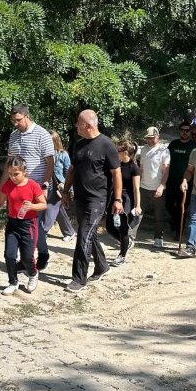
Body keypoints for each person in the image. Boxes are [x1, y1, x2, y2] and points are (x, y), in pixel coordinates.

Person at [61, 110, 122, 292]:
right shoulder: (79, 144)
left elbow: (116, 173)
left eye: (78, 123)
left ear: (88, 125)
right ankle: (102, 266)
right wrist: (65, 191)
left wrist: (117, 199)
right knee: (89, 235)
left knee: (83, 235)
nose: (76, 126)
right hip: (80, 197)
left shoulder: (106, 145)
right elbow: (71, 169)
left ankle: (78, 279)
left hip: (98, 199)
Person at [3, 105, 55, 270]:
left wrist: (45, 184)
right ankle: (34, 255)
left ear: (26, 116)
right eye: (13, 121)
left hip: (36, 187)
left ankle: (35, 256)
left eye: (18, 120)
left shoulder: (42, 134)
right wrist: (4, 185)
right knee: (24, 223)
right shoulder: (14, 136)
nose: (15, 123)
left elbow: (49, 162)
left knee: (32, 224)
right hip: (18, 188)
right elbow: (10, 162)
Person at [0, 156, 46, 295]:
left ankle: (33, 273)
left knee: (27, 257)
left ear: (24, 171)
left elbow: (43, 204)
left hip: (28, 225)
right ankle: (13, 282)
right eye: (10, 174)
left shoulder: (33, 185)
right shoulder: (8, 185)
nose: (12, 177)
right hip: (12, 224)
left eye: (16, 174)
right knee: (9, 255)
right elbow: (0, 203)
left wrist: (33, 206)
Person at [105, 141, 141, 267]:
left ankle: (122, 255)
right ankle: (126, 242)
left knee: (123, 228)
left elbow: (136, 189)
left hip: (126, 200)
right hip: (114, 197)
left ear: (125, 152)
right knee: (109, 227)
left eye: (118, 151)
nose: (115, 153)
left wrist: (138, 205)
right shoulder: (116, 164)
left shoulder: (134, 168)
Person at [138, 126, 170, 248]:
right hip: (144, 186)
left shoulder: (163, 151)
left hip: (158, 187)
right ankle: (130, 237)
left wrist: (162, 186)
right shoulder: (144, 150)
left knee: (159, 214)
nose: (150, 141)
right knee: (138, 212)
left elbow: (166, 170)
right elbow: (141, 168)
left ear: (158, 137)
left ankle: (158, 237)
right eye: (148, 138)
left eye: (152, 138)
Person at [43, 130, 76, 241]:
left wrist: (68, 188)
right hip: (48, 186)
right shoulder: (44, 155)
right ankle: (70, 232)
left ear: (55, 141)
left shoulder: (63, 155)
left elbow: (68, 173)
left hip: (60, 187)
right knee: (59, 210)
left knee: (51, 208)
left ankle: (43, 231)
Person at [165, 121, 195, 238]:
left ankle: (179, 231)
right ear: (180, 131)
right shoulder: (173, 144)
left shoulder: (193, 146)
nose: (185, 132)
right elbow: (166, 160)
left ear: (190, 132)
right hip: (171, 180)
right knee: (169, 205)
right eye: (183, 130)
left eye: (187, 130)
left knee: (182, 207)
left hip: (186, 182)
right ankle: (175, 221)